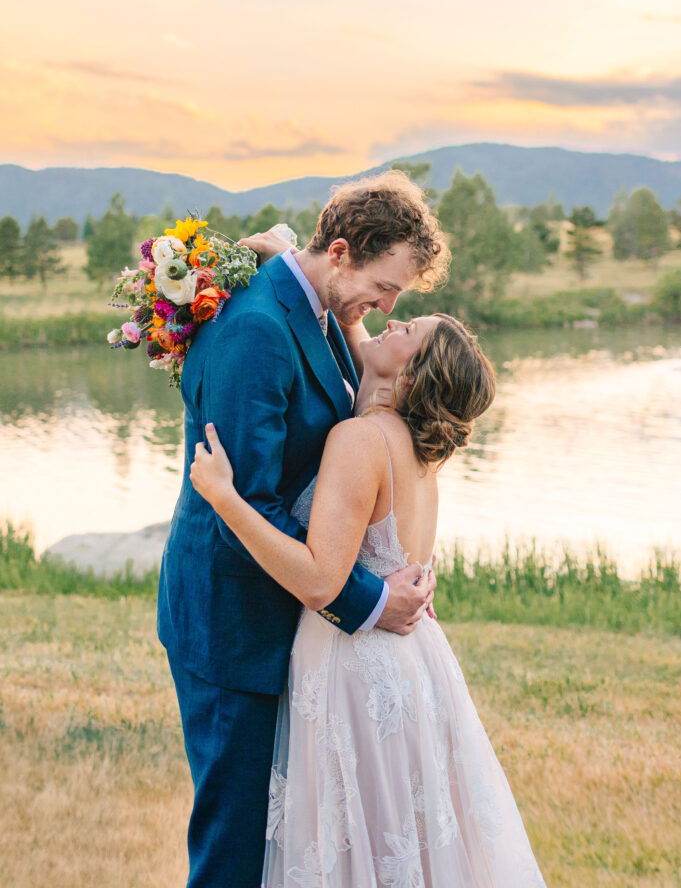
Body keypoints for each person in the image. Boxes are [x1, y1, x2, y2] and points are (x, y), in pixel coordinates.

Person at [157, 170, 450, 887]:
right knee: (236, 844)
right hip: (233, 626)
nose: (383, 309)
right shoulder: (258, 329)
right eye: (384, 288)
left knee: (275, 841)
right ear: (343, 250)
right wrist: (371, 600)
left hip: (279, 616)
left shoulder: (315, 311)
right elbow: (246, 503)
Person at [190, 313, 547, 888]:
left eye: (410, 331)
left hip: (354, 668)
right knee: (400, 845)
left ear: (412, 376)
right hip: (413, 667)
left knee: (360, 848)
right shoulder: (419, 448)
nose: (394, 319)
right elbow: (361, 335)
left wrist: (224, 496)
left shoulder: (360, 440)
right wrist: (286, 253)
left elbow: (317, 581)